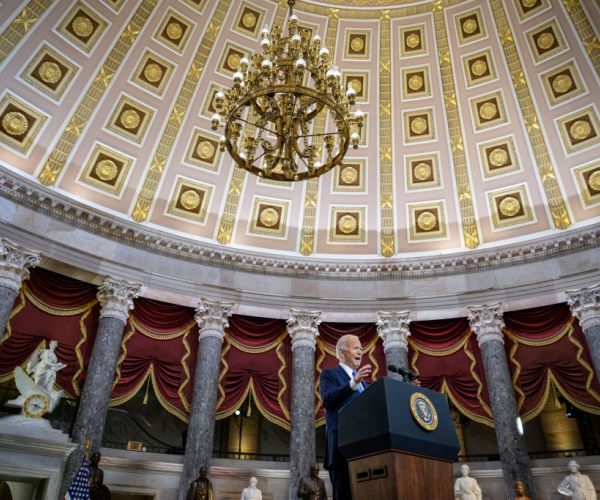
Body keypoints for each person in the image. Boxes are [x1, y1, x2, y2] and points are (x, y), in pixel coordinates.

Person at [319, 334, 371, 500]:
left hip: (367, 451)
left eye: (361, 348)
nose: (360, 351)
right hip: (342, 449)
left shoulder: (365, 384)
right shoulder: (329, 375)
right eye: (355, 348)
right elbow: (328, 400)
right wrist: (353, 383)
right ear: (341, 353)